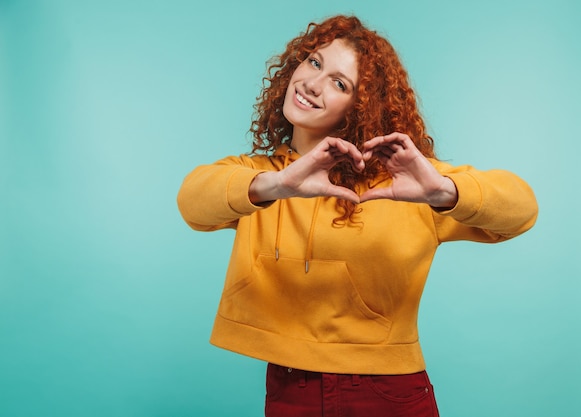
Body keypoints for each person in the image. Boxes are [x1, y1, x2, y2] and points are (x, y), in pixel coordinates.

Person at [177, 14, 538, 417]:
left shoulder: (406, 184)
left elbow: (521, 208)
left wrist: (442, 191)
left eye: (339, 82)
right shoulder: (261, 177)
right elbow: (192, 202)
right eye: (314, 63)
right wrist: (277, 185)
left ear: (361, 106)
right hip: (289, 386)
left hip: (386, 390)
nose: (313, 84)